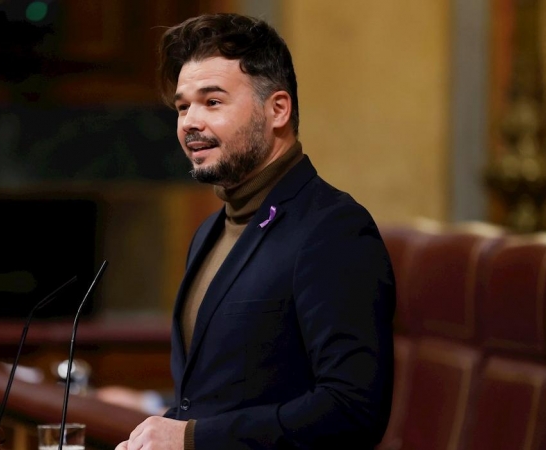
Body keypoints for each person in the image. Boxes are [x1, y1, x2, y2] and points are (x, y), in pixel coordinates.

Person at [117, 13, 395, 450]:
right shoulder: (209, 231)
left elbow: (353, 409)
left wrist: (192, 438)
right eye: (182, 106)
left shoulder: (333, 228)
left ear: (277, 109)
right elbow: (220, 396)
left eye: (212, 102)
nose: (190, 122)